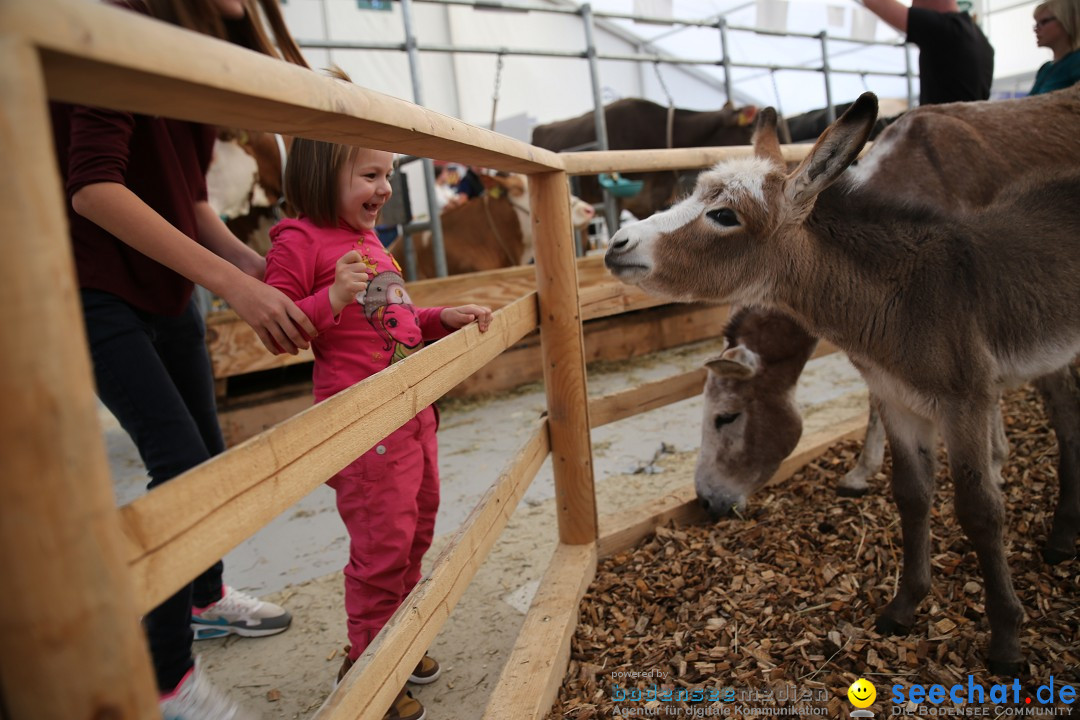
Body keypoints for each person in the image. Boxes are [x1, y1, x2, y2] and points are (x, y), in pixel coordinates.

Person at [50, 0, 317, 717]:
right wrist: (229, 283)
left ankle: (203, 597)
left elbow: (190, 199)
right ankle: (163, 678)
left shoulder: (199, 42)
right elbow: (94, 190)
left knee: (206, 455)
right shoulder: (120, 18)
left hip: (170, 285)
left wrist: (252, 266)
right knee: (182, 464)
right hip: (92, 282)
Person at [263, 70, 493, 720]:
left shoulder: (372, 242)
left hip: (414, 413)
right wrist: (328, 296)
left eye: (387, 174)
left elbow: (394, 322)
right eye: (369, 175)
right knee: (381, 545)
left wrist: (440, 316)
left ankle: (398, 634)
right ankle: (368, 667)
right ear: (319, 171)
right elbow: (278, 331)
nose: (384, 188)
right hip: (365, 428)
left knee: (417, 528)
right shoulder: (299, 240)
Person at [859, 0, 994, 105]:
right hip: (970, 132)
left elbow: (874, 2)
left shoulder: (944, 29)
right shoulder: (980, 39)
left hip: (944, 133)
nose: (912, 5)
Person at [1030, 0, 1080, 94]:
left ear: (1066, 21)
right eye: (1036, 24)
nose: (1036, 29)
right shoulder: (1045, 68)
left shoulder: (1077, 60)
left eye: (1044, 21)